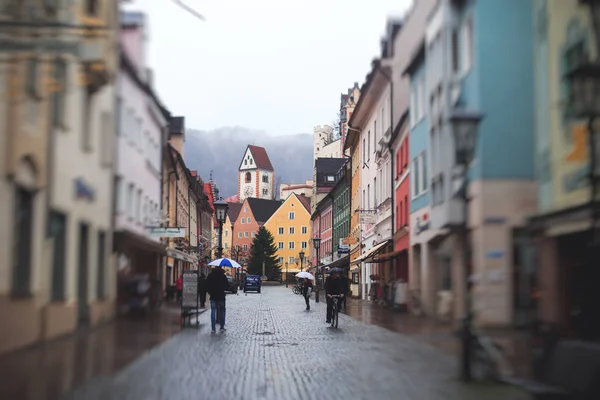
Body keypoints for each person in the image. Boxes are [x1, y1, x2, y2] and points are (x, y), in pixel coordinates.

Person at [205, 265, 229, 333]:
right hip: (221, 296)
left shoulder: (210, 275)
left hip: (213, 296)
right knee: (222, 311)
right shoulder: (223, 276)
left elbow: (206, 285)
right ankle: (222, 327)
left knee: (213, 311)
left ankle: (213, 328)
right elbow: (227, 285)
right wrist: (223, 289)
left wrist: (210, 292)